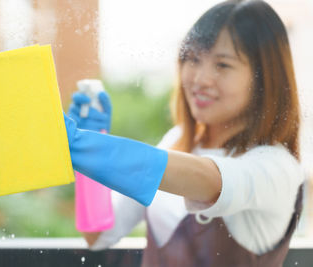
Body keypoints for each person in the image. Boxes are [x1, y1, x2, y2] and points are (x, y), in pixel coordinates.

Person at [65, 0, 305, 265]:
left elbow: (208, 179)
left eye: (222, 65)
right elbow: (98, 235)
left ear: (264, 78)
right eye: (192, 59)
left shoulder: (277, 166)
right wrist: (88, 153)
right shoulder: (174, 141)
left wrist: (86, 146)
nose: (200, 79)